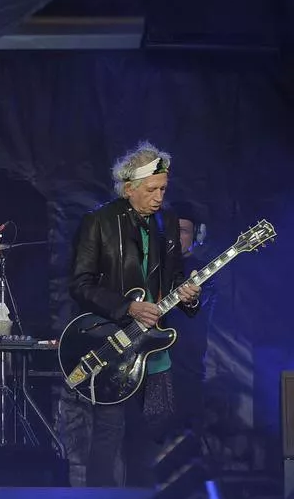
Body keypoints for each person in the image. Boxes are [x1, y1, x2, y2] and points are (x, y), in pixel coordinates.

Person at [68, 141, 201, 487]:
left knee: (149, 436)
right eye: (152, 189)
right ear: (130, 189)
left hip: (154, 349)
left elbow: (172, 279)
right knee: (109, 433)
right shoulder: (98, 222)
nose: (159, 197)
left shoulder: (166, 223)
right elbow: (80, 285)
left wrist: (187, 296)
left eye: (163, 189)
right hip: (114, 342)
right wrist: (126, 306)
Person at [166, 201, 212, 440]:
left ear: (196, 235)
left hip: (186, 370)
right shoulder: (151, 268)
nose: (176, 236)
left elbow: (200, 309)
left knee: (185, 441)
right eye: (172, 229)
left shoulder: (205, 272)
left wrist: (192, 300)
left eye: (183, 231)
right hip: (149, 369)